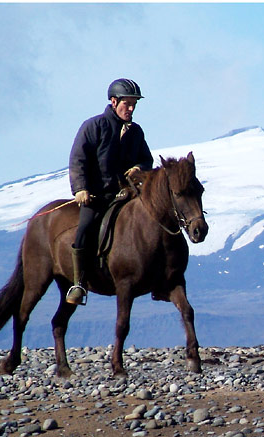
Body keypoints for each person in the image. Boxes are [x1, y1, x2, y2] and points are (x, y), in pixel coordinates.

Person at [66, 78, 154, 305]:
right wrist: (81, 188)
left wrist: (140, 168)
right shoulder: (94, 126)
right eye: (128, 104)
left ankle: (159, 279)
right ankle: (78, 283)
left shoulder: (136, 132)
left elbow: (146, 159)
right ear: (114, 102)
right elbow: (78, 159)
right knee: (85, 228)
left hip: (128, 195)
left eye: (135, 104)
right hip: (97, 196)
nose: (132, 109)